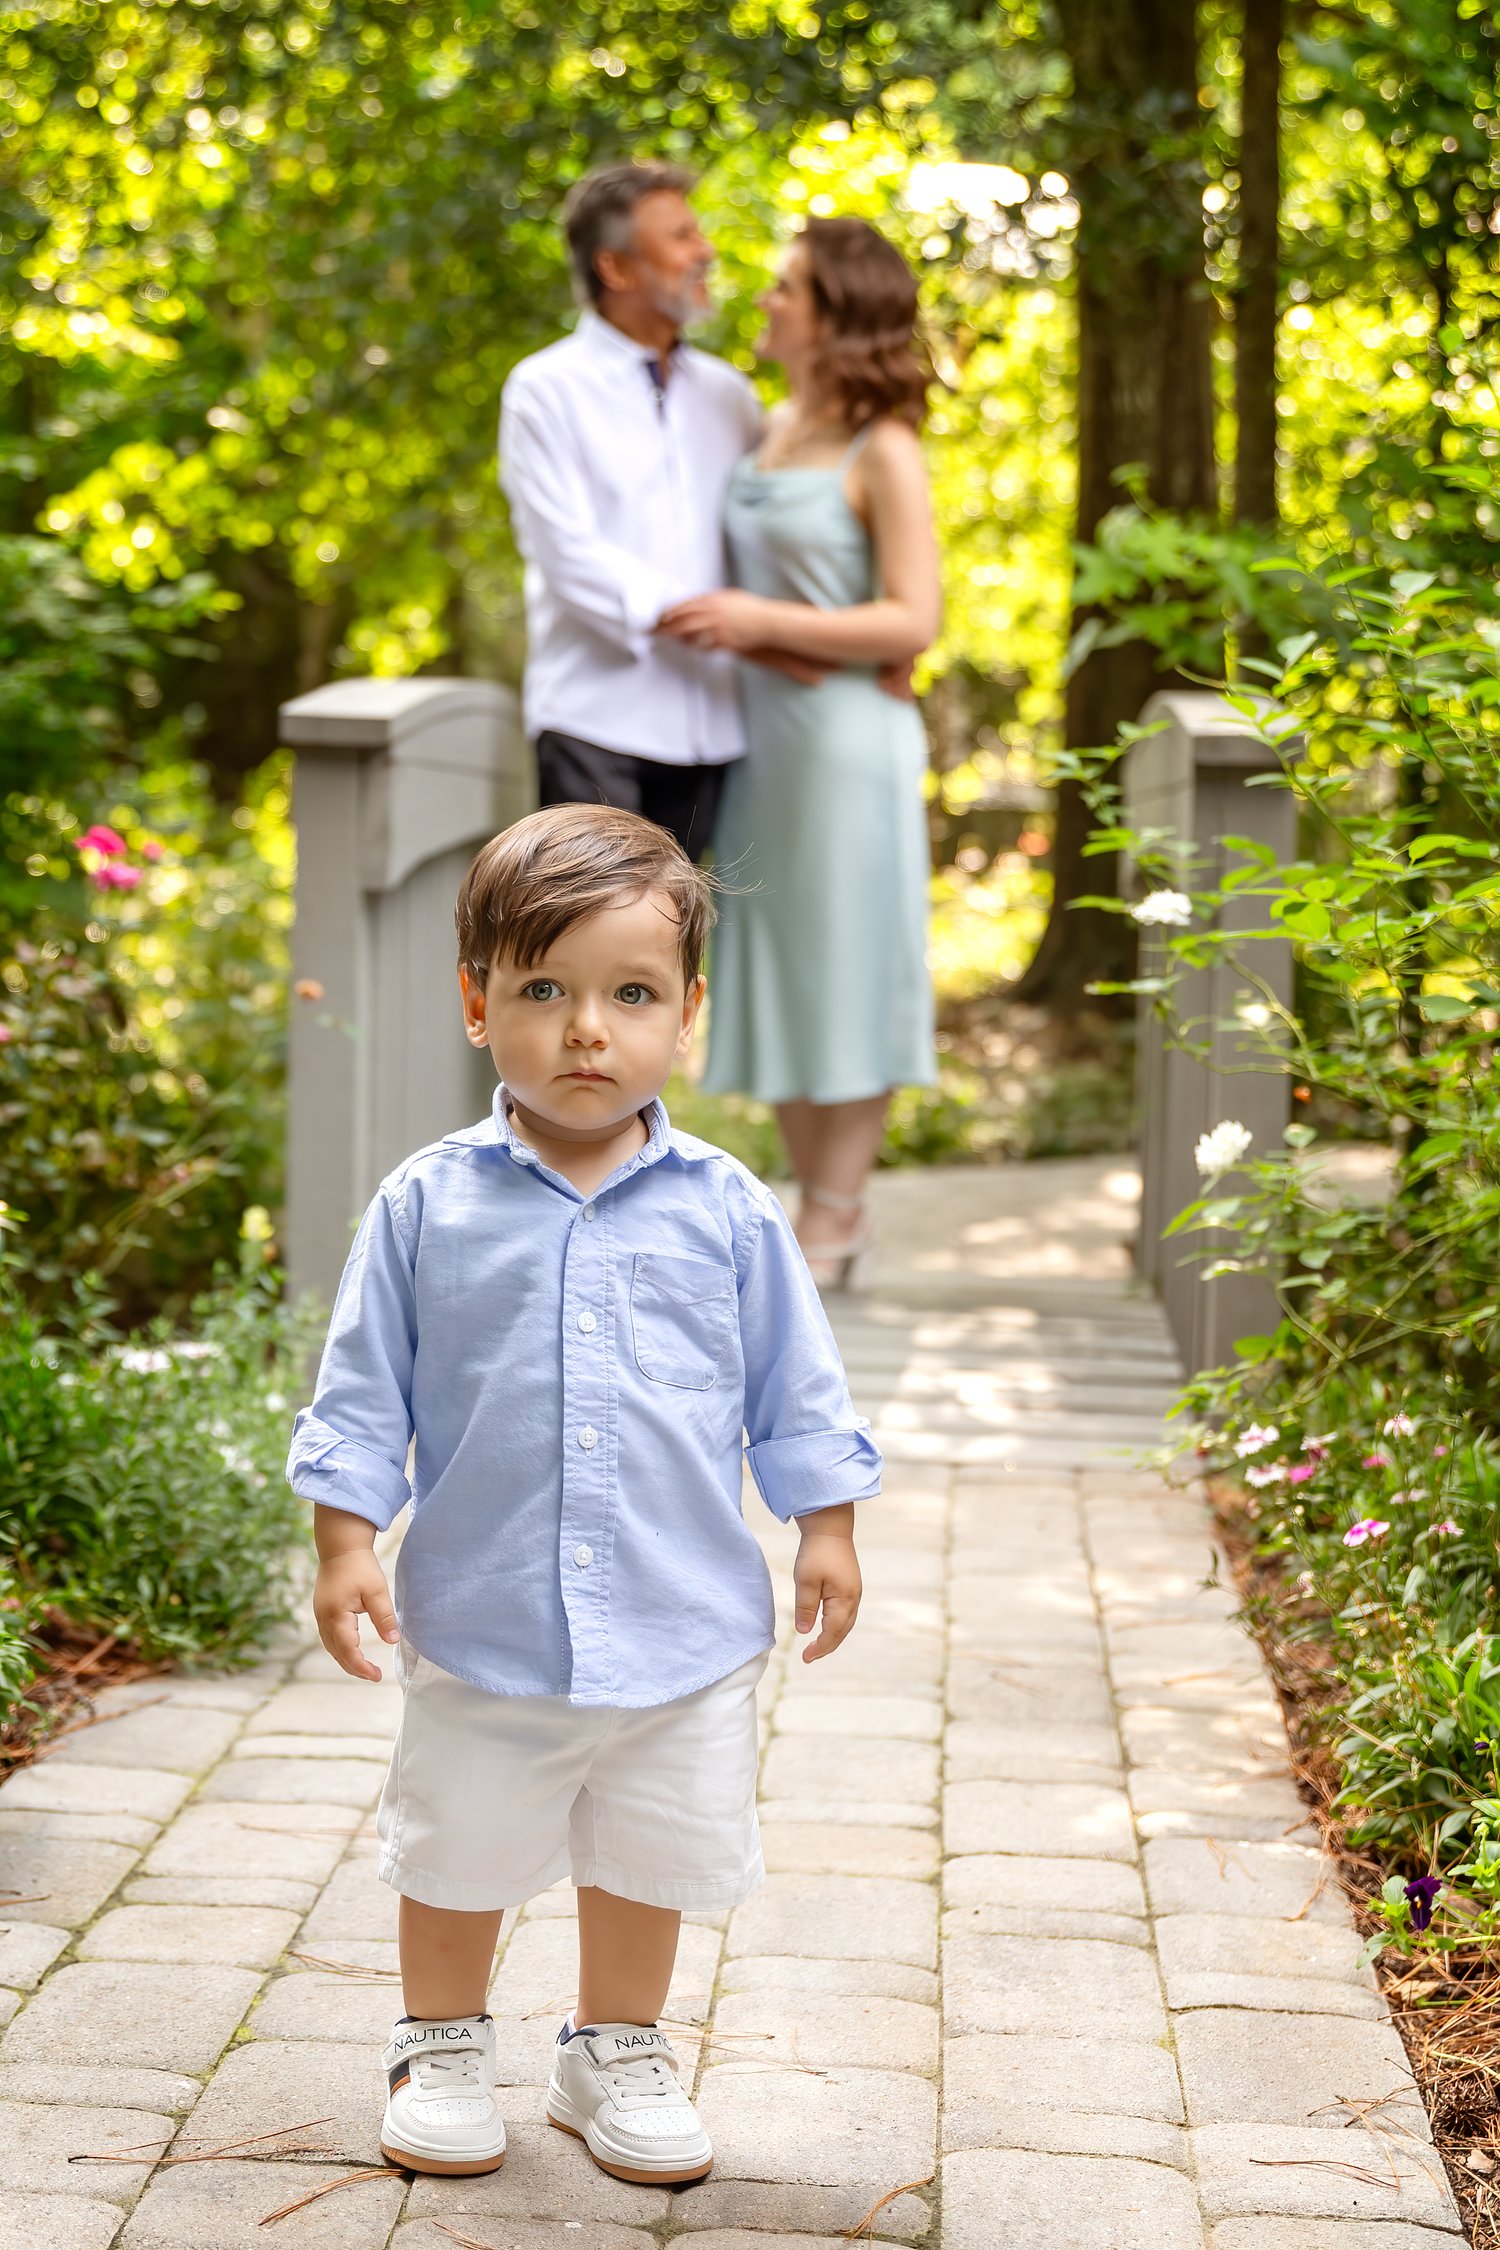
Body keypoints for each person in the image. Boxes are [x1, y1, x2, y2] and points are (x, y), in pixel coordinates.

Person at [287, 803, 879, 2184]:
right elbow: (365, 1385)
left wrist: (829, 1525)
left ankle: (612, 2044)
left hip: (680, 1617)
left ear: (690, 1012)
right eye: (543, 990)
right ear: (477, 1002)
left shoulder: (728, 1208)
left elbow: (797, 1378)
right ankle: (438, 2038)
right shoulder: (429, 1204)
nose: (586, 1029)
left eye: (631, 994)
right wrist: (344, 1537)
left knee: (650, 1846)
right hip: (484, 1612)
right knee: (459, 1841)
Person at [659, 217, 942, 1290]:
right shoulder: (763, 427)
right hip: (762, 742)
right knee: (772, 958)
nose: (764, 302)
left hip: (846, 744)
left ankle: (837, 1211)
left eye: (787, 290)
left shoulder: (888, 449)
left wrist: (755, 619)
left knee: (852, 961)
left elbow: (912, 621)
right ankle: (806, 1198)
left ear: (836, 320)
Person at [499, 163, 773, 860]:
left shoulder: (730, 395)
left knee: (678, 946)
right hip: (594, 717)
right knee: (590, 937)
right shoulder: (544, 389)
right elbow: (564, 551)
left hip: (717, 723)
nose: (704, 250)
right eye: (682, 235)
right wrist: (693, 613)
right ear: (615, 267)